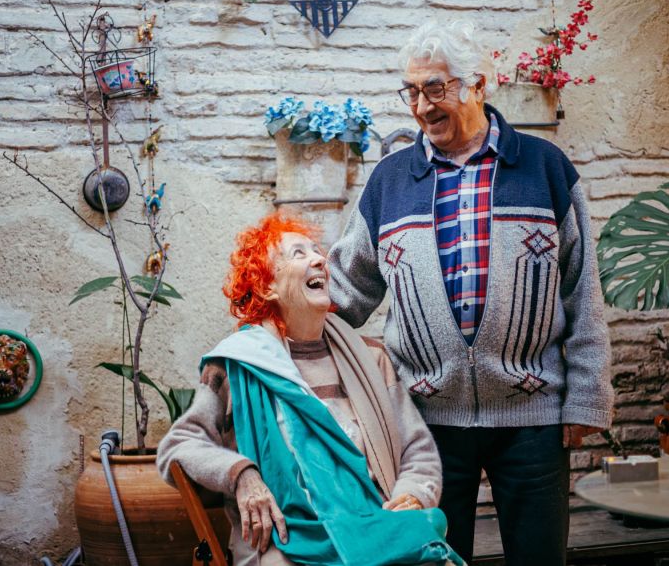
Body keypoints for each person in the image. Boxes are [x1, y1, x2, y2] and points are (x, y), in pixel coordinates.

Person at [327, 19, 615, 565]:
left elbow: (582, 291)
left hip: (533, 417)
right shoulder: (390, 180)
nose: (420, 107)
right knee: (432, 560)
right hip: (425, 421)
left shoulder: (544, 167)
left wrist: (586, 398)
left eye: (435, 89)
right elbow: (346, 289)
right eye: (411, 91)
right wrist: (274, 331)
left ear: (478, 85)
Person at [157, 213, 463, 566]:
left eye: (317, 251)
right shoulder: (235, 365)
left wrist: (413, 493)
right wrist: (241, 474)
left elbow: (417, 450)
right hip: (285, 539)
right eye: (298, 254)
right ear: (268, 287)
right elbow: (178, 447)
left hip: (375, 524)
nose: (319, 259)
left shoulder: (371, 359)